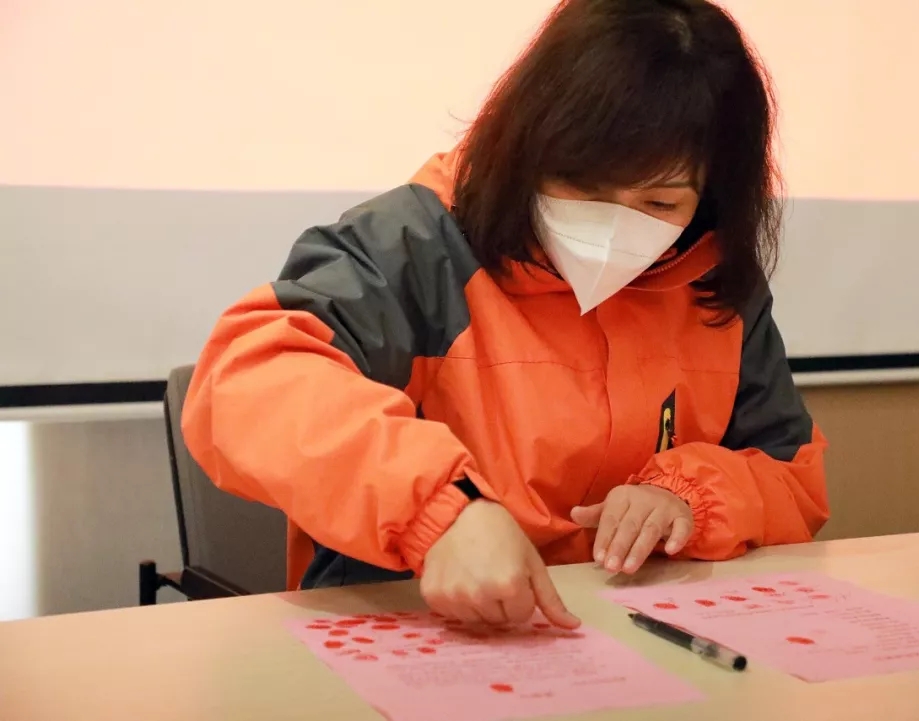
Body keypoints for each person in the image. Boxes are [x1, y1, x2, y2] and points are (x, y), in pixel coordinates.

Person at [182, 0, 828, 630]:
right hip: (420, 627)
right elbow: (246, 379)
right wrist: (441, 508)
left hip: (622, 633)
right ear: (530, 145)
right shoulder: (418, 245)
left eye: (660, 204)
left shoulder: (712, 278)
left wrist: (689, 496)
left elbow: (792, 475)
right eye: (584, 188)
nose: (615, 229)